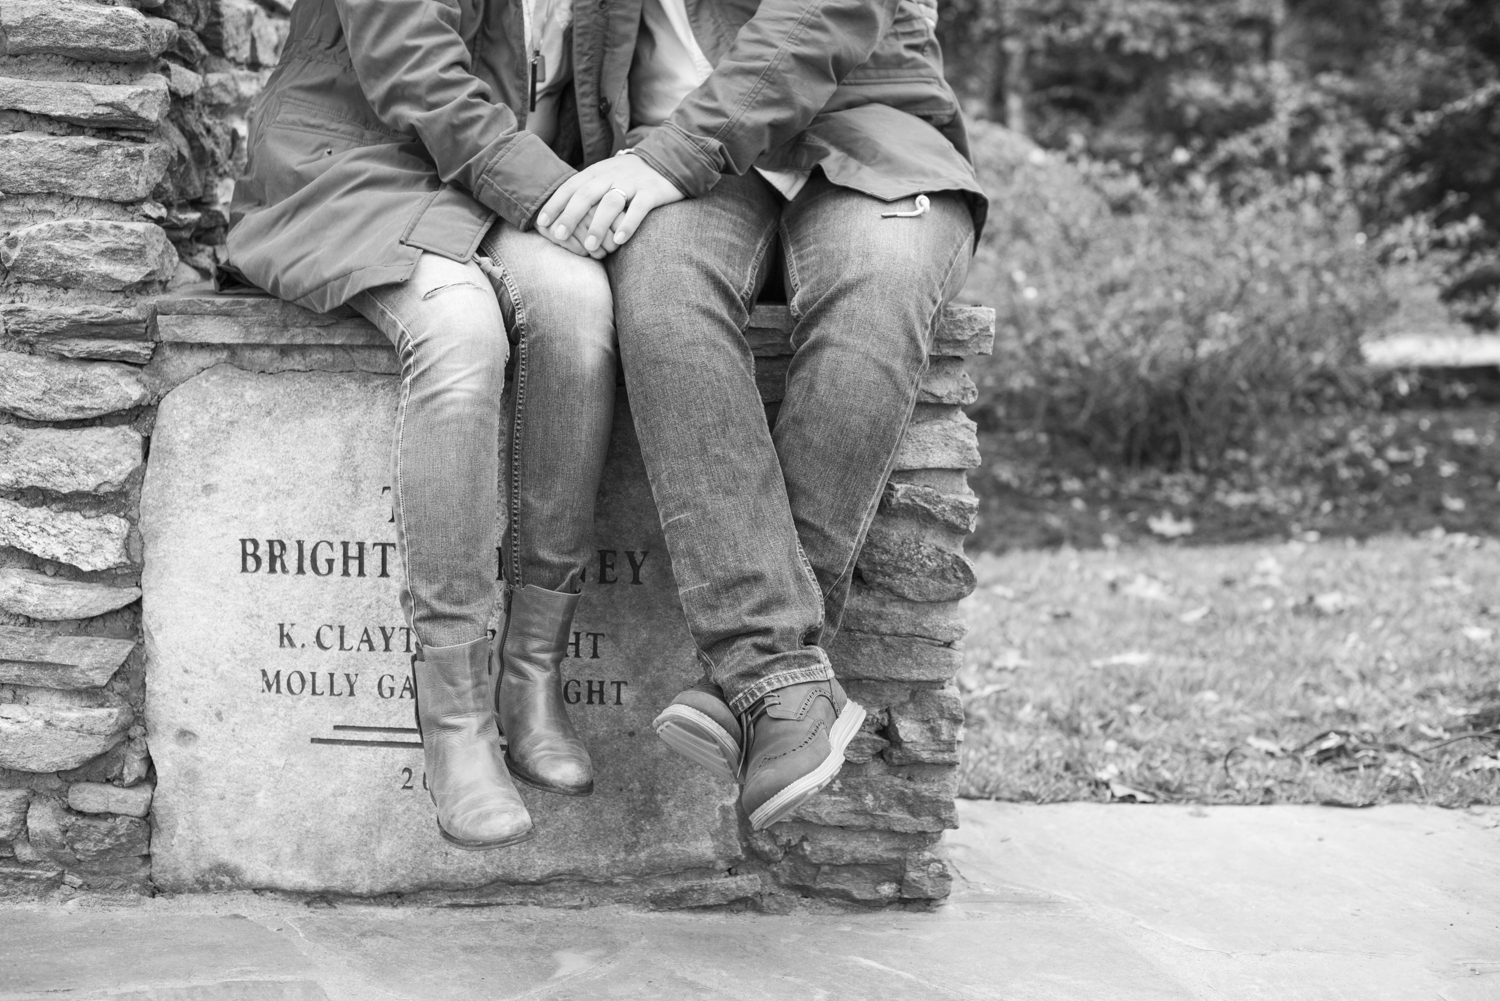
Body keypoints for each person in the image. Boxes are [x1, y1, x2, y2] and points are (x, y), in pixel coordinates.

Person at [537, 0, 987, 828]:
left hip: (868, 130)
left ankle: (756, 674)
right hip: (678, 167)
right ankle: (782, 689)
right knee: (662, 304)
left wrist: (669, 156)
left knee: (875, 293)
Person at [224, 0, 625, 850]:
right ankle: (455, 714)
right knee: (458, 326)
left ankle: (532, 673)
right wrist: (555, 194)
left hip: (467, 181)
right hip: (348, 164)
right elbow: (414, 62)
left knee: (580, 303)